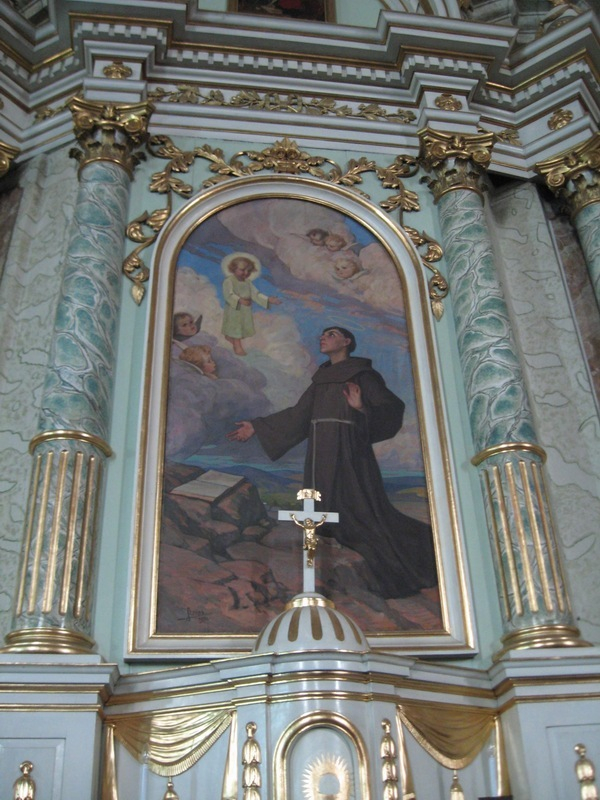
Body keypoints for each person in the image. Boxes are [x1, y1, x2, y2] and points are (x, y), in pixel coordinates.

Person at [228, 326, 437, 598]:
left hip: (349, 449)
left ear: (347, 341)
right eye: (322, 334)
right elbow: (298, 415)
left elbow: (391, 408)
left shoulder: (362, 375)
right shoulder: (322, 379)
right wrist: (257, 427)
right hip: (320, 449)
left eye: (331, 334)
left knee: (359, 512)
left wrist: (361, 407)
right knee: (321, 505)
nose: (322, 337)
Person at [221, 252, 281, 356]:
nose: (246, 273)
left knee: (242, 327)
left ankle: (230, 337)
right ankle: (237, 347)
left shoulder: (247, 282)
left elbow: (256, 294)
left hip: (245, 309)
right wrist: (240, 300)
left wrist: (268, 300)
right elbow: (228, 294)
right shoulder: (229, 281)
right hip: (234, 309)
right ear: (233, 268)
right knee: (236, 326)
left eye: (248, 271)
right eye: (242, 270)